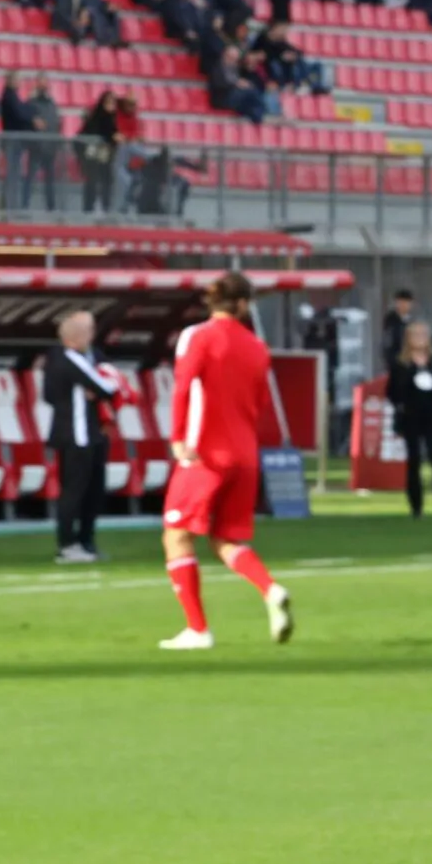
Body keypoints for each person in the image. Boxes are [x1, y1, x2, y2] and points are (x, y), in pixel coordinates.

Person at [158, 272, 292, 649]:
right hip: (245, 455)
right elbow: (261, 402)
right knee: (226, 538)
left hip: (205, 454)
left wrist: (179, 438)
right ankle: (270, 588)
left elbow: (184, 385)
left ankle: (197, 629)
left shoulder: (197, 336)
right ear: (244, 304)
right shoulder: (256, 346)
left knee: (176, 534)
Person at [39, 308, 121, 564]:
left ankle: (86, 541)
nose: (93, 335)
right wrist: (97, 388)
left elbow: (107, 378)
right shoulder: (64, 358)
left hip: (94, 433)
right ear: (74, 336)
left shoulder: (92, 355)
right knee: (73, 491)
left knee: (93, 491)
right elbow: (108, 385)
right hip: (73, 435)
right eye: (89, 330)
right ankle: (67, 544)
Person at [389, 320, 432, 517]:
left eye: (423, 334)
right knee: (414, 461)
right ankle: (416, 507)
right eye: (416, 334)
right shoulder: (400, 363)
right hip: (411, 417)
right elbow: (392, 392)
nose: (420, 338)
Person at [379, 287, 414, 375]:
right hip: (396, 360)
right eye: (400, 302)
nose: (403, 305)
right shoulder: (391, 320)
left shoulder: (412, 321)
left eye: (406, 302)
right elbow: (388, 342)